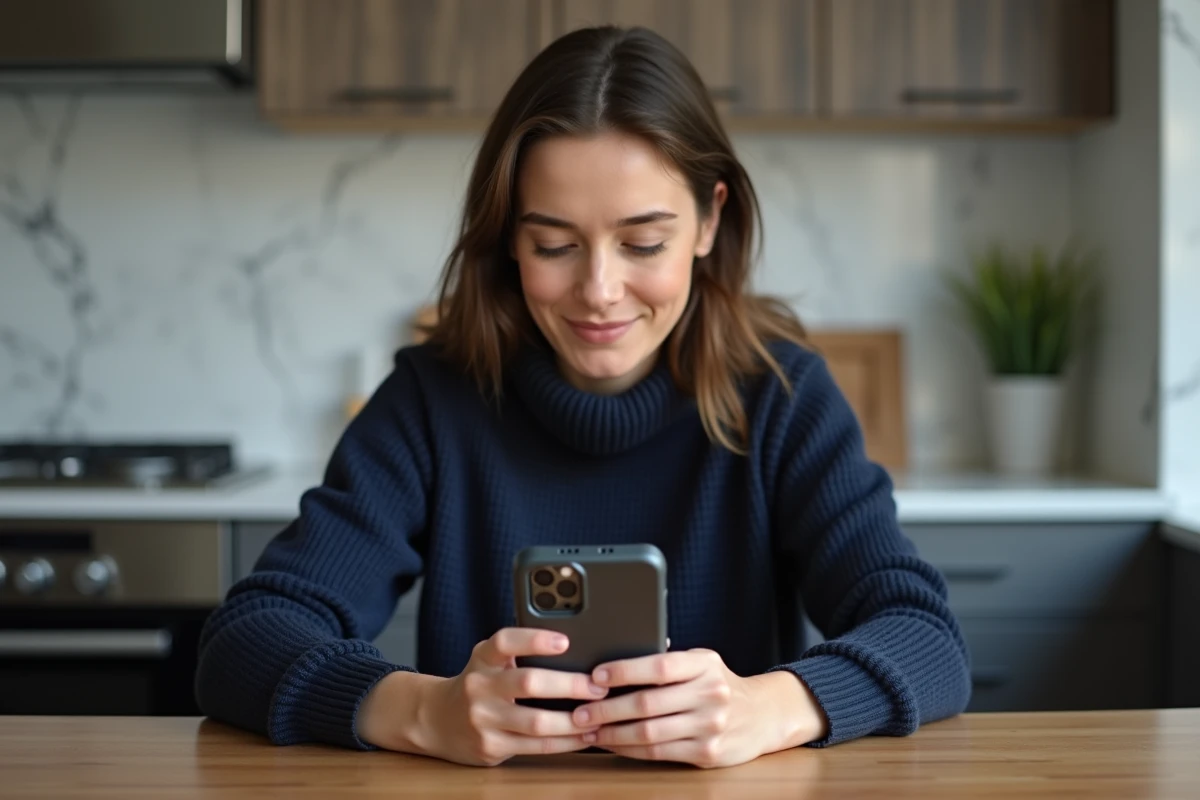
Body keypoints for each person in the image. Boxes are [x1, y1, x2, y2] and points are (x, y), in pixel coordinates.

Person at [195, 25, 971, 769]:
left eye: (643, 243)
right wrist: (424, 712)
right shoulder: (431, 403)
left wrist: (770, 707)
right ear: (507, 237)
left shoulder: (783, 398)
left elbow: (925, 637)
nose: (599, 292)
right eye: (554, 245)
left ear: (709, 220)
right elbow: (248, 640)